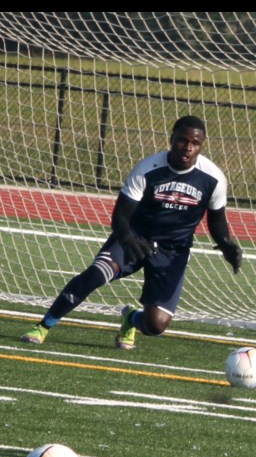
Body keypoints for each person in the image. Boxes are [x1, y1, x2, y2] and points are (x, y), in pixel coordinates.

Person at [21, 115, 242, 348]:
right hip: (135, 236)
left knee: (156, 325)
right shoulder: (147, 169)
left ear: (201, 145)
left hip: (173, 250)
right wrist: (127, 239)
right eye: (182, 140)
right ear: (171, 139)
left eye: (195, 143)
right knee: (96, 274)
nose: (188, 148)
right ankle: (44, 326)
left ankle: (131, 319)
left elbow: (216, 220)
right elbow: (121, 215)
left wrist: (226, 243)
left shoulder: (214, 178)